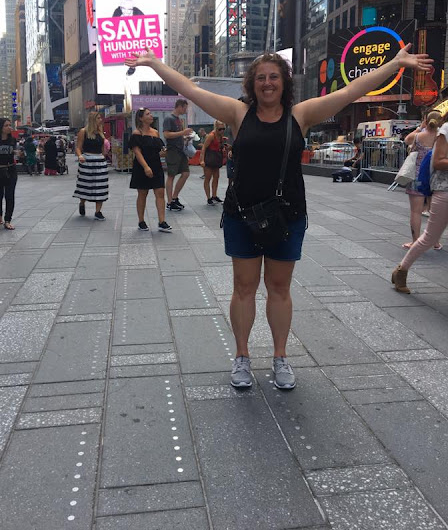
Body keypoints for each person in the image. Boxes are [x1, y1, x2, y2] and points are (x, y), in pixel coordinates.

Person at [125, 45, 432, 390]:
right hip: (242, 213)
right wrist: (154, 63)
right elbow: (191, 89)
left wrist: (395, 63)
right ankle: (242, 356)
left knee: (279, 288)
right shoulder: (238, 113)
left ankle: (280, 357)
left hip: (287, 216)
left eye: (273, 77)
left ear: (284, 82)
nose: (267, 83)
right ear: (252, 83)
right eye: (260, 78)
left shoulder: (300, 115)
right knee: (243, 287)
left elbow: (350, 91)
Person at [392, 113, 448, 293]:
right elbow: (438, 161)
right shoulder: (445, 131)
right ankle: (401, 270)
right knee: (429, 237)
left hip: (424, 182)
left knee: (418, 216)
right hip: (444, 189)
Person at [402, 112, 441, 250]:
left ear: (426, 121)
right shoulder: (442, 138)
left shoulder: (418, 136)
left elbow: (407, 140)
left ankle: (415, 241)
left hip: (418, 176)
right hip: (436, 177)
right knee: (436, 213)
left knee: (416, 212)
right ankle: (435, 242)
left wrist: (420, 127)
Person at [129, 108, 172, 233]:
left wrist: (163, 153)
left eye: (151, 113)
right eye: (148, 114)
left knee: (160, 192)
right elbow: (137, 152)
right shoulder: (137, 133)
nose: (151, 116)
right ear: (141, 118)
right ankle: (141, 221)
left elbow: (159, 150)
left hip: (156, 165)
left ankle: (162, 221)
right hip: (142, 166)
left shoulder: (155, 132)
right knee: (143, 193)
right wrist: (146, 167)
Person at [73, 112, 109, 220]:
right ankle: (82, 202)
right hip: (87, 160)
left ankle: (98, 211)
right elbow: (78, 147)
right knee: (85, 185)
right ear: (93, 119)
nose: (100, 120)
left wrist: (104, 156)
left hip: (99, 160)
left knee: (101, 186)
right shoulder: (83, 132)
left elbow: (102, 148)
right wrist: (80, 156)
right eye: (98, 118)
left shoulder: (100, 132)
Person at [162, 98, 193, 211]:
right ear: (179, 106)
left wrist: (185, 137)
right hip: (173, 151)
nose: (185, 110)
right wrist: (182, 133)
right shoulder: (169, 119)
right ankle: (170, 201)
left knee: (185, 173)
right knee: (171, 175)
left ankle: (174, 197)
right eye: (185, 108)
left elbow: (176, 134)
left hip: (180, 150)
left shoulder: (178, 119)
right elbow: (166, 134)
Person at [199, 120, 226, 204]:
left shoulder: (221, 136)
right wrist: (202, 160)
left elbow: (219, 146)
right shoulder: (211, 136)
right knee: (208, 178)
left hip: (216, 158)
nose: (222, 131)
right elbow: (204, 148)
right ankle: (208, 197)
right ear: (216, 128)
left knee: (216, 177)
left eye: (223, 129)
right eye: (220, 129)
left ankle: (214, 195)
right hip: (209, 158)